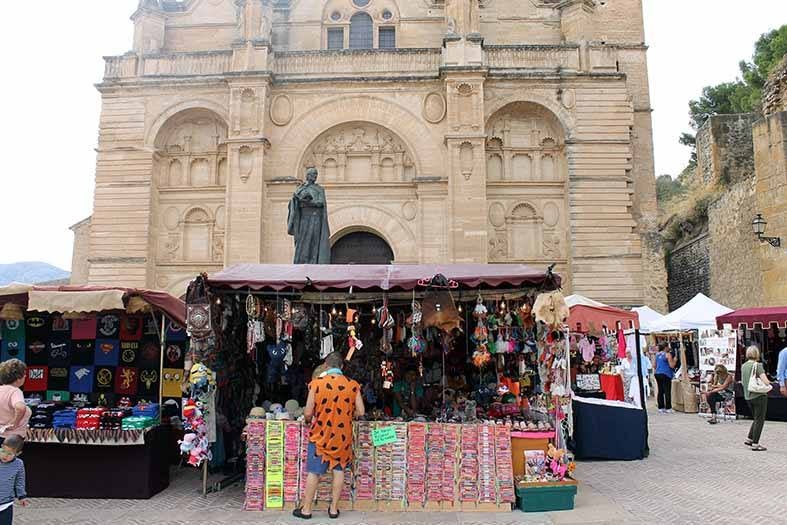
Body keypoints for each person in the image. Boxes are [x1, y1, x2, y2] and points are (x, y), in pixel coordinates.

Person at [294, 352, 364, 520]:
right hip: (342, 437)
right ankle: (333, 509)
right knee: (338, 471)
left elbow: (308, 412)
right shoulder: (352, 385)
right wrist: (347, 414)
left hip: (320, 435)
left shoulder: (316, 384)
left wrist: (310, 419)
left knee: (314, 472)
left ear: (326, 365)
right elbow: (361, 411)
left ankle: (307, 510)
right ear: (341, 367)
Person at [741, 345, 771, 451]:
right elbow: (766, 381)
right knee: (760, 420)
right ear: (757, 354)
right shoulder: (757, 365)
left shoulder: (743, 366)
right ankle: (755, 443)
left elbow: (744, 382)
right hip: (758, 395)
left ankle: (750, 438)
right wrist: (769, 384)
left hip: (748, 396)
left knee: (755, 418)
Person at [0, 360, 30, 444]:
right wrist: (14, 423)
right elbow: (20, 408)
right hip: (11, 440)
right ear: (18, 378)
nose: (25, 376)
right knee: (10, 457)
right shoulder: (15, 391)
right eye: (24, 374)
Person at [0, 435, 28, 525]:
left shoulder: (18, 464)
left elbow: (20, 481)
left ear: (18, 453)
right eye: (3, 451)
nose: (5, 455)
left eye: (10, 454)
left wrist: (22, 496)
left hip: (6, 504)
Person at [654, 343, 677, 413]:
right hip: (666, 374)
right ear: (665, 348)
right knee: (667, 391)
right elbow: (672, 365)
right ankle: (668, 407)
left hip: (657, 373)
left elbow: (654, 365)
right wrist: (675, 360)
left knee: (660, 391)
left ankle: (660, 407)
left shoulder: (657, 355)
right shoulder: (668, 354)